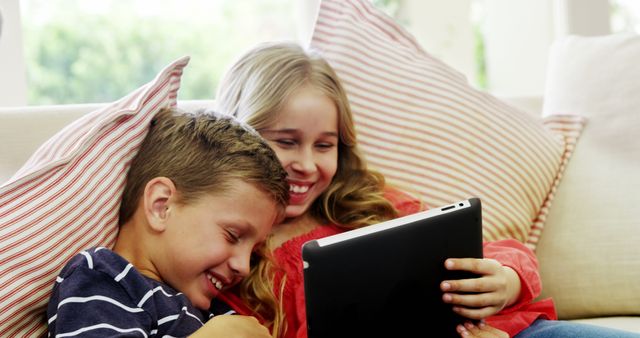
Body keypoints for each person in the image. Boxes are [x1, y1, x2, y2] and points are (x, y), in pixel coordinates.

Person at [214, 41, 640, 338]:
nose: (306, 164)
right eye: (286, 141)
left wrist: (505, 280)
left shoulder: (366, 206)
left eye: (325, 145)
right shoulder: (230, 249)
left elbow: (482, 253)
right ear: (236, 133)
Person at [46, 107, 290, 337]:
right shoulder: (104, 279)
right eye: (232, 235)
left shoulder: (212, 310)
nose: (244, 267)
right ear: (161, 206)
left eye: (253, 252)